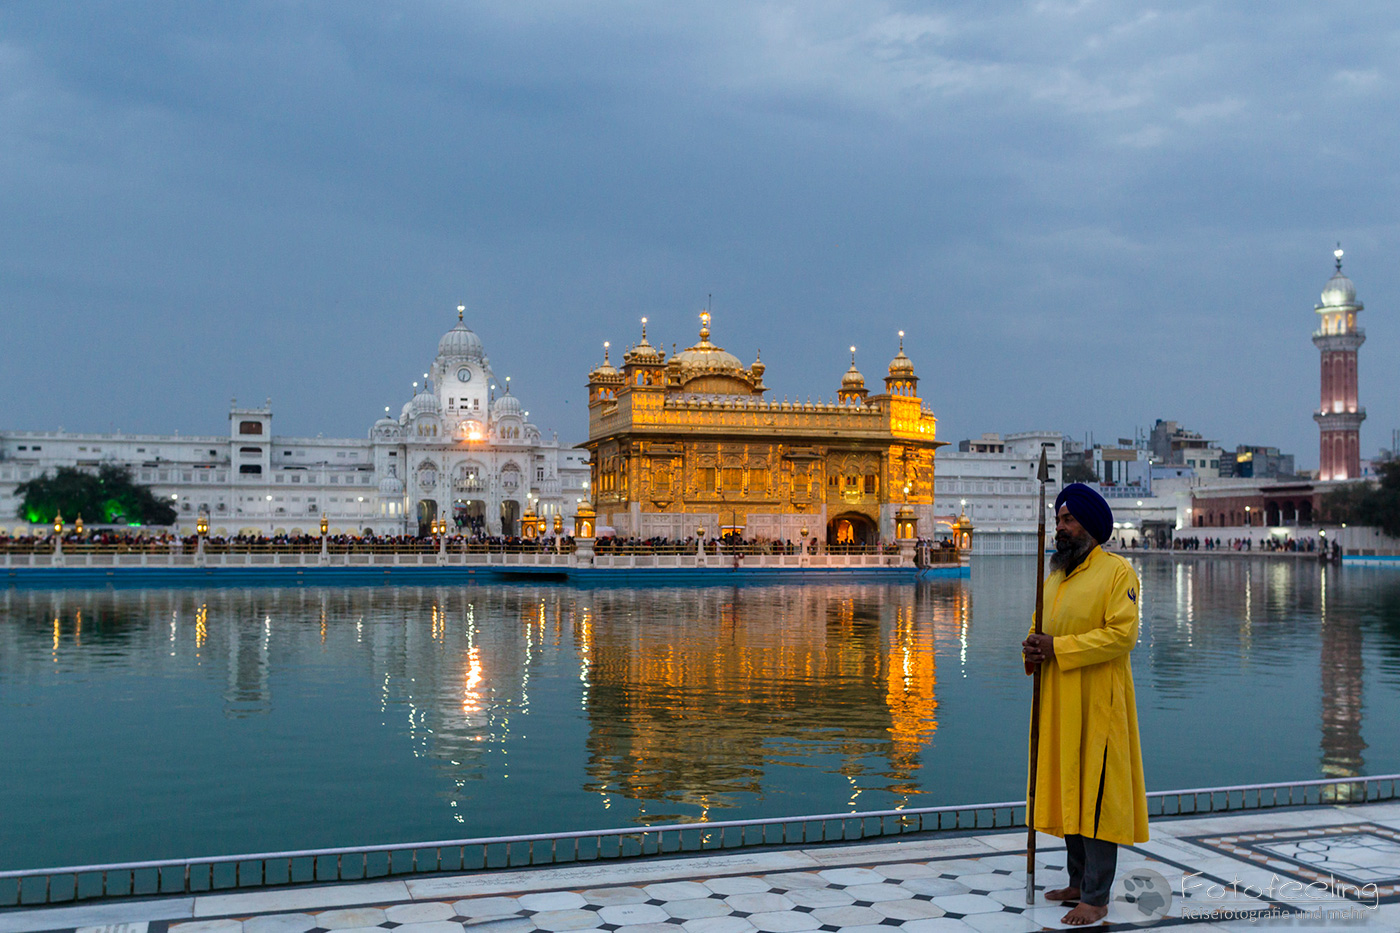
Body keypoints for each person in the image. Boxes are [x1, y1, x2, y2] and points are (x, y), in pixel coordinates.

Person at [1022, 483, 1149, 925]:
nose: (1060, 527)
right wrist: (1034, 648)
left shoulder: (1117, 574)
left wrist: (1058, 647)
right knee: (1069, 788)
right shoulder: (1056, 576)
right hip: (1059, 703)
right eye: (1058, 519)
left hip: (1098, 704)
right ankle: (1077, 881)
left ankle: (1096, 897)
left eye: (1068, 519)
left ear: (1090, 527)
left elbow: (1122, 636)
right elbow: (1040, 628)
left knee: (1097, 797)